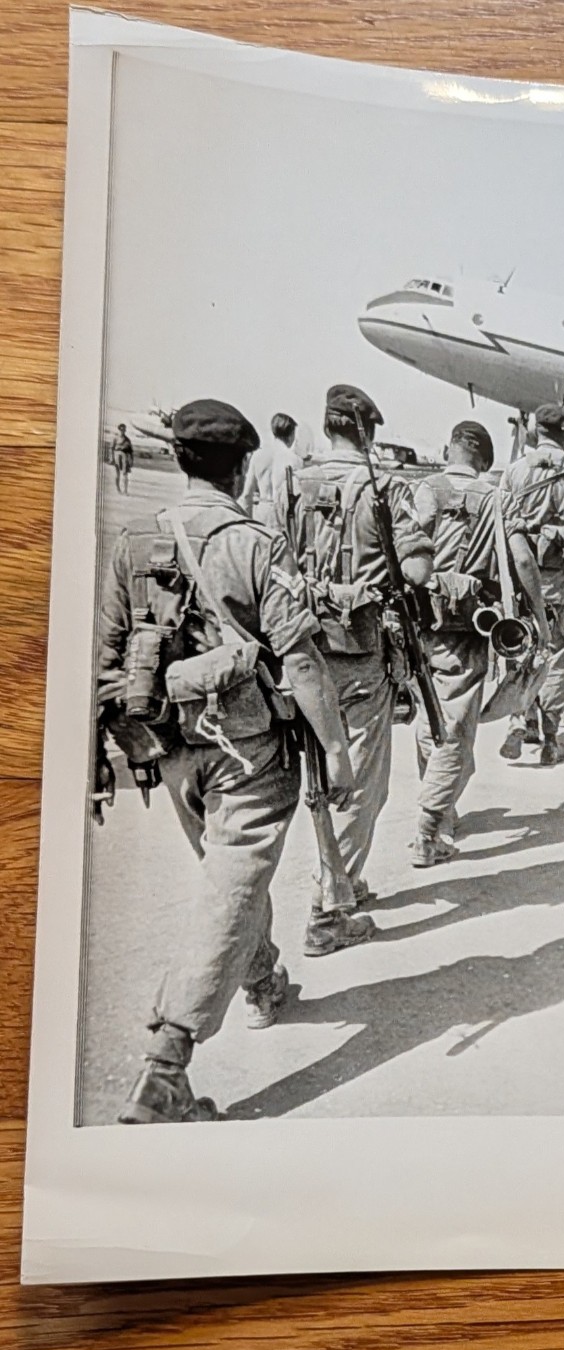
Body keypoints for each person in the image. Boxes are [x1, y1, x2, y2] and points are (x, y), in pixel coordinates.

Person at [97, 399, 354, 1123]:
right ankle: (166, 1065)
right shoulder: (254, 542)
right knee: (232, 885)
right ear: (241, 467)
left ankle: (264, 981)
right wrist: (335, 749)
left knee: (229, 881)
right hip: (248, 750)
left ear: (179, 461)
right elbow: (300, 657)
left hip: (170, 750)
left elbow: (109, 659)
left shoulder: (133, 539)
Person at [293, 384, 433, 951]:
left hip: (297, 647)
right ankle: (328, 911)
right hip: (359, 650)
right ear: (368, 431)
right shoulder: (386, 487)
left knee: (315, 776)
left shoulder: (288, 481)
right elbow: (419, 570)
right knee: (359, 782)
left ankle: (342, 880)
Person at [409, 420, 533, 867]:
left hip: (418, 624)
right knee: (456, 729)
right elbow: (519, 557)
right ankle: (428, 827)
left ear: (449, 448)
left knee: (430, 716)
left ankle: (442, 809)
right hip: (467, 627)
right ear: (485, 461)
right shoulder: (495, 496)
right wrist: (534, 612)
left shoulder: (422, 489)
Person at [500, 403, 564, 766]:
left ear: (536, 430)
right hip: (558, 576)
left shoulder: (514, 471)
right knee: (557, 651)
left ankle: (521, 721)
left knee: (520, 646)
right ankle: (550, 739)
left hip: (518, 574)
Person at [239, 412, 301, 534]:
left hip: (262, 513)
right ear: (291, 434)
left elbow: (247, 495)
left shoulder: (258, 456)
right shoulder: (294, 460)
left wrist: (247, 523)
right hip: (283, 517)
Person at [110, 424, 134, 494]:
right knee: (117, 474)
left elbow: (131, 451)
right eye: (121, 429)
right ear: (119, 429)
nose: (122, 431)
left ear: (125, 430)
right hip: (117, 455)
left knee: (125, 473)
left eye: (124, 429)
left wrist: (132, 460)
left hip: (124, 456)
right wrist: (112, 458)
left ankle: (125, 491)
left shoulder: (127, 440)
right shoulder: (115, 438)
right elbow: (112, 448)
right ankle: (118, 489)